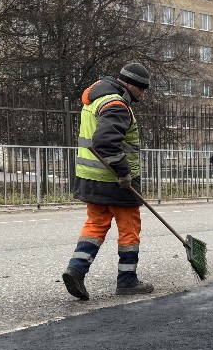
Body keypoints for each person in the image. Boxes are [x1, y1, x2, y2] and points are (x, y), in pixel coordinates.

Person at [61, 62, 154, 300]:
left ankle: (76, 269)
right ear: (130, 85)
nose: (142, 94)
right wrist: (124, 173)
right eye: (141, 89)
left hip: (91, 178)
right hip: (115, 180)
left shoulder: (96, 99)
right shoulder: (117, 105)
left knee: (96, 224)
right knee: (130, 229)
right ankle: (127, 281)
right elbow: (105, 142)